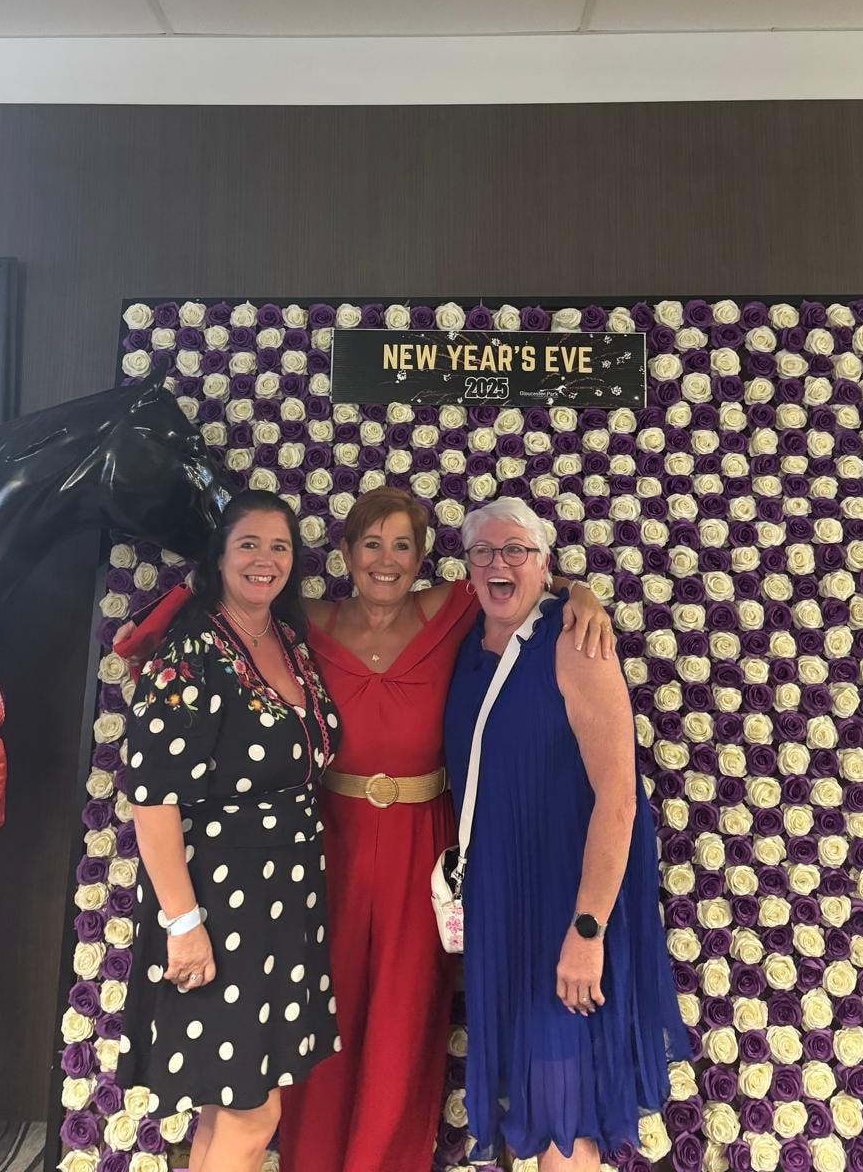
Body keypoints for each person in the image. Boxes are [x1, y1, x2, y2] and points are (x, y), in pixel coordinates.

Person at [120, 486, 614, 1172]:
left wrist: (579, 592)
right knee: (318, 1022)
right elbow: (158, 787)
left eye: (403, 546)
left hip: (417, 845)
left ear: (421, 558)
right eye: (372, 544)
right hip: (324, 848)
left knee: (403, 1022)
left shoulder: (446, 609)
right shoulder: (299, 626)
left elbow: (510, 573)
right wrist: (182, 919)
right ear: (345, 553)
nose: (387, 560)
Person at [444, 498, 690, 1171]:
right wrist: (572, 583)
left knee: (565, 1105)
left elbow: (619, 798)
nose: (498, 564)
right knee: (529, 1088)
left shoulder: (575, 641)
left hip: (566, 900)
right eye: (483, 552)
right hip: (503, 901)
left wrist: (587, 931)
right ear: (466, 569)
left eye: (516, 550)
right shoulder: (467, 642)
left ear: (544, 562)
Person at [118, 490, 342, 1172]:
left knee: (227, 1104)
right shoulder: (190, 653)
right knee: (253, 1112)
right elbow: (151, 799)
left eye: (279, 547)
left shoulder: (289, 641)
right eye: (248, 544)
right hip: (217, 902)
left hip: (283, 900)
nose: (264, 559)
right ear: (219, 556)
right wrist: (184, 922)